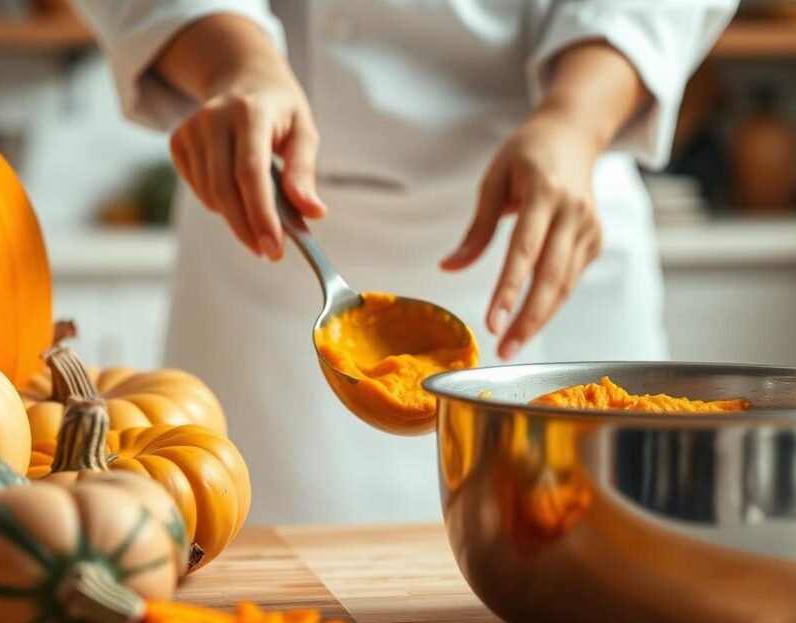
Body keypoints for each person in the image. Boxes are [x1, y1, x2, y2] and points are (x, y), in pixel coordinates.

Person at [74, 1, 737, 524]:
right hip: (262, 223)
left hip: (557, 199)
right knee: (250, 564)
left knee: (605, 570)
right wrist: (233, 63)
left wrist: (576, 116)